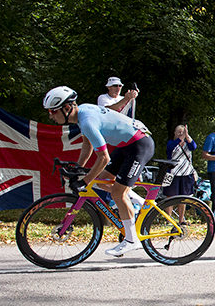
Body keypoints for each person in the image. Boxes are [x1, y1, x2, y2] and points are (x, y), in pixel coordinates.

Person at [43, 86, 154, 256]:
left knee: (118, 193)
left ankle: (132, 240)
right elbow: (87, 145)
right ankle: (138, 201)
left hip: (139, 145)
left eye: (53, 111)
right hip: (127, 145)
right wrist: (77, 168)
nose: (51, 115)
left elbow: (104, 158)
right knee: (103, 180)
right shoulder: (82, 113)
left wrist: (84, 181)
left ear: (66, 108)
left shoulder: (86, 121)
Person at [165, 124, 197, 223]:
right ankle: (168, 219)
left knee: (183, 197)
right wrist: (179, 140)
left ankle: (181, 219)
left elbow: (194, 147)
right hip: (173, 173)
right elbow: (169, 149)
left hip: (185, 173)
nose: (180, 134)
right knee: (170, 196)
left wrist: (187, 137)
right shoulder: (171, 143)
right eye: (178, 132)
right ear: (174, 133)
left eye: (182, 132)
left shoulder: (188, 143)